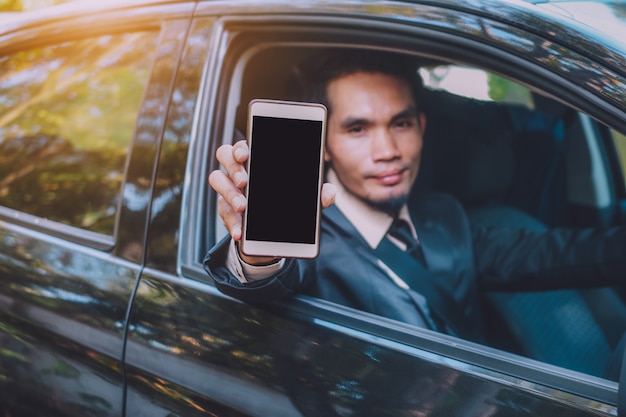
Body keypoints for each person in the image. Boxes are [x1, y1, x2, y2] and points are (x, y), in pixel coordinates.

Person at [204, 49, 626, 345]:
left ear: (422, 126)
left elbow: (550, 254)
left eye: (401, 123)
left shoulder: (444, 213)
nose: (387, 149)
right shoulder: (307, 245)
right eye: (358, 129)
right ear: (323, 146)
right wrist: (255, 256)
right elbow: (272, 281)